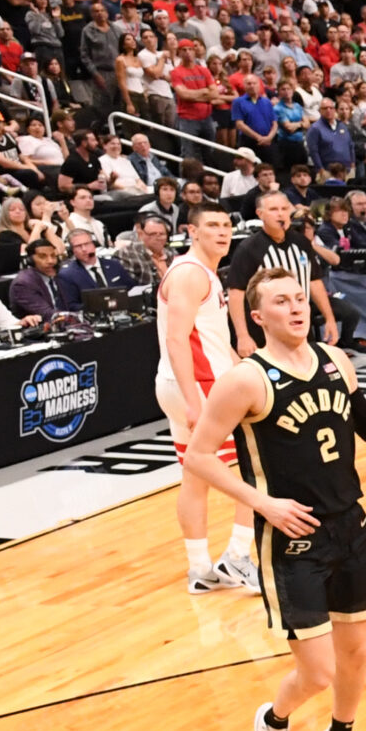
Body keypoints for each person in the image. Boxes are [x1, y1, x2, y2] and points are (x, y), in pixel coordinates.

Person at [182, 266, 366, 731]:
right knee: (319, 671)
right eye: (281, 302)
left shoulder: (335, 359)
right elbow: (199, 455)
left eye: (299, 298)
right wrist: (262, 504)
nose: (297, 308)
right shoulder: (246, 379)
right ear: (257, 317)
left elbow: (360, 413)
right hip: (292, 536)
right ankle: (274, 723)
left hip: (351, 525)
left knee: (356, 654)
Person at [158, 202, 259, 591]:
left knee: (194, 477)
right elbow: (176, 339)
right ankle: (237, 556)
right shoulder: (189, 273)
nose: (223, 231)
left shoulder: (205, 273)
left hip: (193, 382)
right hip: (199, 385)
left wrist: (247, 370)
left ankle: (199, 569)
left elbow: (213, 340)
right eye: (213, 225)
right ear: (192, 231)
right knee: (256, 468)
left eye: (227, 224)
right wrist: (193, 399)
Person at [223, 188, 337, 356]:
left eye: (284, 209)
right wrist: (242, 336)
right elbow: (235, 294)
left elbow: (314, 282)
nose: (280, 214)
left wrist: (329, 318)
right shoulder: (249, 248)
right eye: (273, 210)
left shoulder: (302, 243)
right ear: (260, 214)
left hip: (299, 322)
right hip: (262, 330)